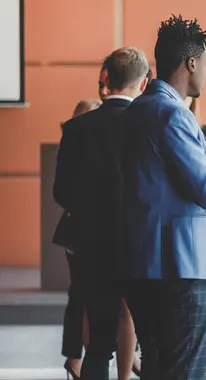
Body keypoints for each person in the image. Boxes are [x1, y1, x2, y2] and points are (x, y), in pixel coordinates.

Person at [117, 15, 206, 379]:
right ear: (191, 63)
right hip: (181, 267)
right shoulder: (173, 114)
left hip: (142, 264)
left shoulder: (137, 111)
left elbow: (168, 180)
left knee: (157, 366)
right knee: (186, 371)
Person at [55, 47, 150, 380]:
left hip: (93, 249)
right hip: (142, 248)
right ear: (144, 82)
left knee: (97, 345)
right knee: (149, 340)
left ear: (107, 78)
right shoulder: (150, 124)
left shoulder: (77, 128)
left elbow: (61, 193)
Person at [54, 98, 101, 380]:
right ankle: (74, 358)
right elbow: (61, 193)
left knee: (85, 297)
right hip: (78, 232)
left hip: (92, 232)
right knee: (80, 296)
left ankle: (77, 358)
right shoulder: (74, 149)